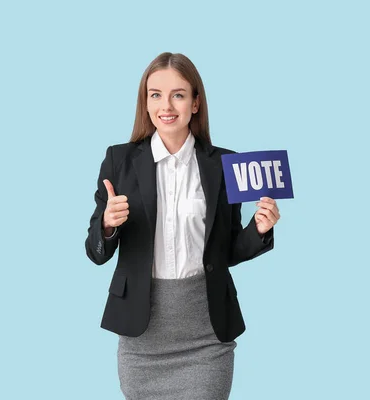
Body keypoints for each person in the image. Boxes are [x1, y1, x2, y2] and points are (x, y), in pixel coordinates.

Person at [85, 52, 280, 400]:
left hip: (206, 335)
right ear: (145, 103)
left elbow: (229, 250)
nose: (166, 105)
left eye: (178, 94)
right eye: (155, 94)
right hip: (141, 340)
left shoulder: (225, 164)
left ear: (195, 103)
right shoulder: (119, 160)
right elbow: (96, 253)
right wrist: (107, 225)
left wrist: (259, 230)